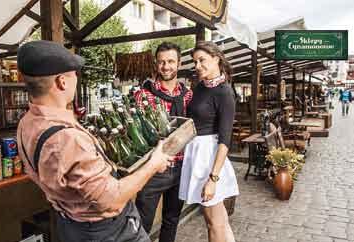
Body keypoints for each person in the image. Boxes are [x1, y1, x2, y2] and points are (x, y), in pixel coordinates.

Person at [16, 40, 173, 242]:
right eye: (74, 74)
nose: (76, 79)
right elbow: (112, 201)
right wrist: (153, 164)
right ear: (62, 82)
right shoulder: (69, 139)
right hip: (107, 232)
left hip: (70, 225)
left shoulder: (26, 124)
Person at [179, 41, 239, 242]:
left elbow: (225, 140)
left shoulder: (224, 92)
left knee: (214, 223)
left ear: (216, 58)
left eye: (202, 60)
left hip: (210, 159)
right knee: (218, 220)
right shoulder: (200, 88)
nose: (197, 66)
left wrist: (213, 179)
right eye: (195, 61)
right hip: (197, 154)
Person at [134, 42, 193, 242]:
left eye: (170, 61)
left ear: (179, 63)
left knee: (171, 220)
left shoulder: (188, 95)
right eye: (161, 62)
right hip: (154, 170)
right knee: (143, 223)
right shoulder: (144, 94)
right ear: (156, 64)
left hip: (182, 166)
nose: (166, 66)